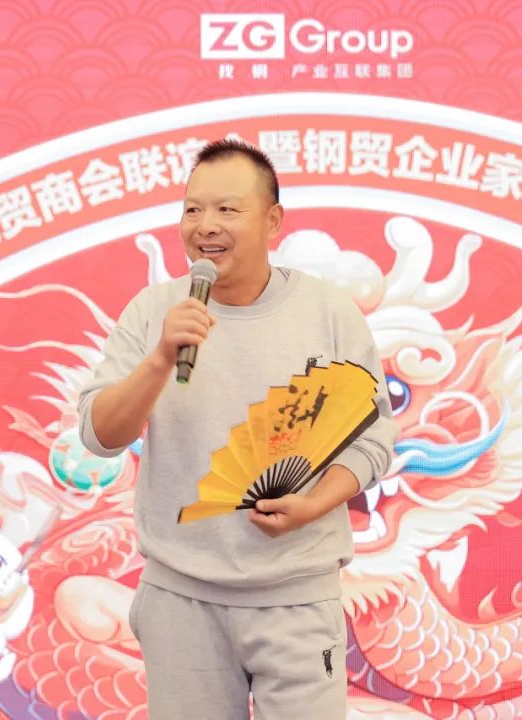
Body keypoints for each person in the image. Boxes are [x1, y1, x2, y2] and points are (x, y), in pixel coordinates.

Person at [76, 138, 398, 719]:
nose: (205, 226)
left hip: (298, 595)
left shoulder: (327, 312)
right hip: (180, 597)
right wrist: (160, 358)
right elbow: (100, 436)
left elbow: (373, 439)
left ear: (273, 221)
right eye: (192, 209)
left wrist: (314, 503)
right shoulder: (153, 311)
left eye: (227, 209)